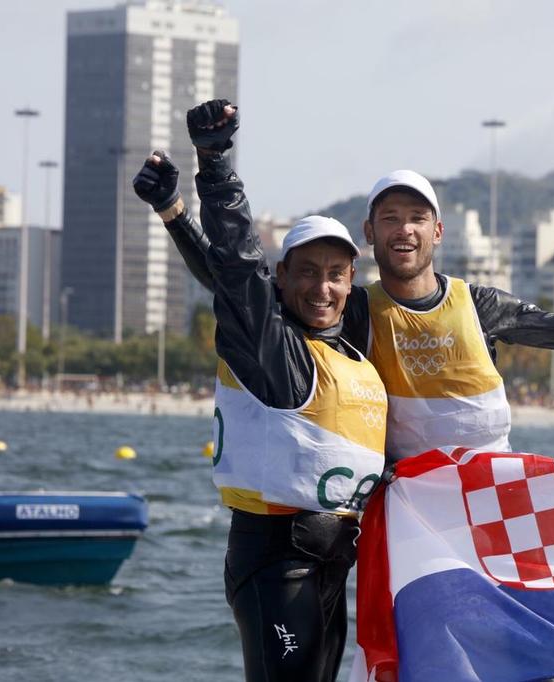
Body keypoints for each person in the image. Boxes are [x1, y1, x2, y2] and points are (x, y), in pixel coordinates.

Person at [153, 99, 554, 462]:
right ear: (371, 232)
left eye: (416, 218)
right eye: (390, 218)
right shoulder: (355, 309)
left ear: (437, 231)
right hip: (409, 509)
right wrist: (177, 215)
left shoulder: (482, 305)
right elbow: (243, 293)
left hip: (489, 502)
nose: (404, 230)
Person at [133, 100, 387, 682]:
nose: (321, 287)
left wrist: (173, 212)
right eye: (306, 271)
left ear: (352, 281)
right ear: (281, 277)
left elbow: (222, 277)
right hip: (278, 565)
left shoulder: (345, 350)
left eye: (335, 274)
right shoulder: (274, 353)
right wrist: (215, 165)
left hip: (329, 567)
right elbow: (240, 272)